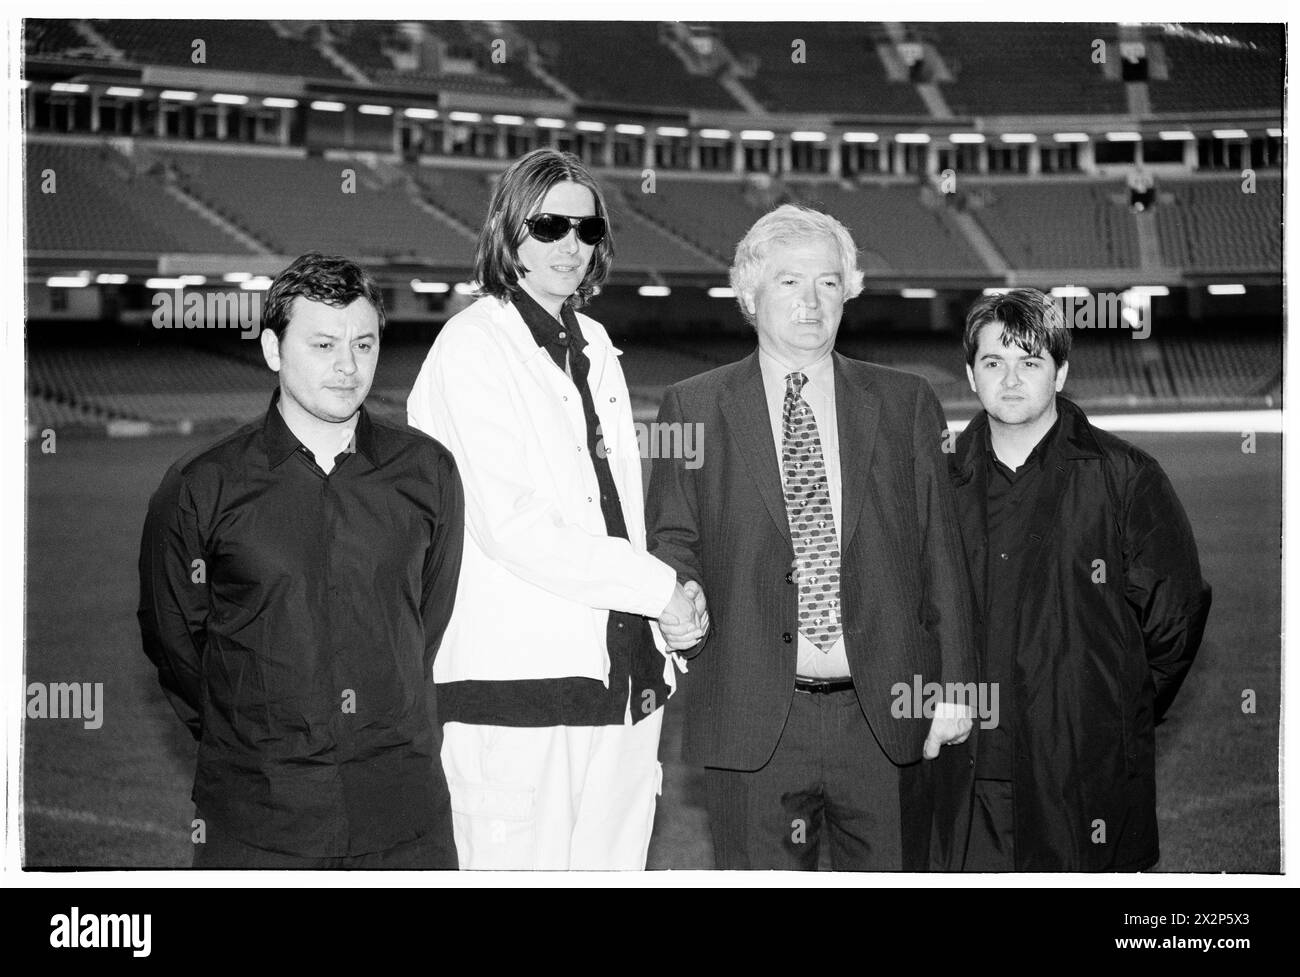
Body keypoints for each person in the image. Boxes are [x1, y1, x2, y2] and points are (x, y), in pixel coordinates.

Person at [645, 204, 977, 870]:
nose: (812, 301)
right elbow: (673, 538)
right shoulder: (693, 406)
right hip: (752, 720)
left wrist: (956, 690)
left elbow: (943, 557)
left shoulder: (905, 402)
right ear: (750, 293)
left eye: (829, 282)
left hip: (884, 717)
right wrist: (678, 598)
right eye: (790, 282)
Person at [407, 148, 707, 871]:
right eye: (549, 226)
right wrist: (659, 589)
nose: (572, 244)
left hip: (622, 688)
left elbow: (618, 515)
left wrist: (667, 613)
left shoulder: (594, 343)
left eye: (588, 228)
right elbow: (514, 526)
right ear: (509, 232)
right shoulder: (472, 347)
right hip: (516, 696)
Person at [138, 252, 464, 869]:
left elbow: (426, 622)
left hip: (404, 816)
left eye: (363, 344)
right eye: (322, 345)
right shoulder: (200, 486)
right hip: (260, 821)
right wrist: (251, 739)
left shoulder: (427, 472)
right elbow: (176, 643)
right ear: (272, 350)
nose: (347, 366)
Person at [949, 287, 1211, 871]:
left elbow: (1174, 620)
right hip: (964, 770)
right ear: (971, 375)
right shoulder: (939, 482)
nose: (1011, 379)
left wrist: (1110, 710)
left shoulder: (1125, 477)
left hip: (1081, 768)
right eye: (994, 362)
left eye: (1030, 361)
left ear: (1060, 372)